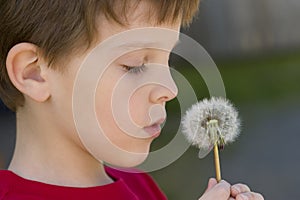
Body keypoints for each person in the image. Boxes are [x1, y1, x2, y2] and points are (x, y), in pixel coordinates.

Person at [0, 0, 264, 199]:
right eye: (134, 65)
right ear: (33, 72)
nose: (170, 89)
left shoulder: (140, 185)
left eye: (168, 60)